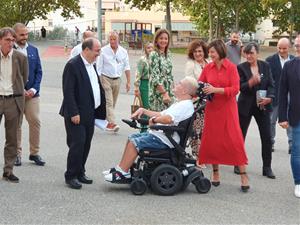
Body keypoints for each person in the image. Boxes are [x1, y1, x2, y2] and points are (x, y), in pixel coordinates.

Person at [103, 76, 198, 182]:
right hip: (163, 137)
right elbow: (161, 114)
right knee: (132, 138)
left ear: (184, 90)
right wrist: (143, 110)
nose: (176, 84)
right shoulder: (180, 104)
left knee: (135, 142)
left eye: (179, 83)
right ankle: (121, 169)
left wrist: (154, 121)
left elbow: (168, 119)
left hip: (166, 141)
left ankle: (123, 173)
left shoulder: (184, 105)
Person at [197, 39, 249, 193]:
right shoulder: (208, 67)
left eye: (212, 52)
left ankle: (243, 175)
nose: (210, 54)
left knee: (235, 141)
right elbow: (201, 84)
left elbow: (235, 89)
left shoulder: (232, 68)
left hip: (228, 109)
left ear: (220, 51)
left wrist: (216, 90)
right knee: (213, 141)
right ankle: (215, 173)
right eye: (210, 52)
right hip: (212, 109)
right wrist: (196, 90)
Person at [59, 38, 106, 189]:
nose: (99, 54)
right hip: (76, 113)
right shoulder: (73, 65)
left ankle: (80, 171)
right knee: (77, 144)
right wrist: (73, 112)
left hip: (89, 112)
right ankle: (71, 175)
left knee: (86, 144)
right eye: (97, 50)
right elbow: (68, 91)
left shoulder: (91, 65)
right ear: (86, 50)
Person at [237, 42, 276, 179]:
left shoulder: (265, 65)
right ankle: (238, 163)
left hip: (262, 105)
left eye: (251, 53)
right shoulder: (241, 67)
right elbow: (239, 87)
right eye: (246, 53)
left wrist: (270, 98)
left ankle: (267, 168)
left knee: (267, 137)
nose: (248, 56)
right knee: (240, 136)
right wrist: (251, 82)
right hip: (245, 106)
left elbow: (271, 84)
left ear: (257, 53)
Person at [13, 23, 45, 166]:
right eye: (22, 35)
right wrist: (20, 90)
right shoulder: (8, 50)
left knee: (35, 122)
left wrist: (34, 89)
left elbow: (39, 72)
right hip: (15, 95)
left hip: (32, 94)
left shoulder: (33, 50)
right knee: (16, 125)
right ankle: (16, 155)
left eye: (26, 34)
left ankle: (34, 153)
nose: (25, 37)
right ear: (14, 35)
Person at [0, 27, 28, 183]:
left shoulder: (20, 58)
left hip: (13, 100)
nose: (10, 43)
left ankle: (8, 170)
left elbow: (24, 78)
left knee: (12, 139)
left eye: (12, 40)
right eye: (7, 40)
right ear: (0, 41)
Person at [278, 35, 300, 198]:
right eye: (297, 45)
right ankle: (298, 182)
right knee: (297, 152)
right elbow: (282, 92)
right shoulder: (289, 66)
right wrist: (282, 117)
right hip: (296, 116)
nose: (298, 48)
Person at [97, 31, 131, 132]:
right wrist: (98, 82)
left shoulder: (123, 52)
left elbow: (127, 67)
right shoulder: (103, 51)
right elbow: (99, 67)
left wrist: (128, 82)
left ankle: (107, 119)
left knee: (113, 103)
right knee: (109, 102)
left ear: (118, 39)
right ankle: (112, 123)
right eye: (110, 39)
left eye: (114, 39)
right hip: (105, 78)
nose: (112, 41)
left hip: (117, 80)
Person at [266, 38, 294, 153]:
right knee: (271, 121)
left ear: (289, 48)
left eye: (284, 48)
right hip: (275, 96)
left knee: (291, 121)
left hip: (291, 96)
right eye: (279, 48)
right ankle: (270, 143)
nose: (281, 50)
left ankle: (292, 144)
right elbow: (267, 80)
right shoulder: (269, 60)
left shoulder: (295, 60)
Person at [184, 40, 209, 162]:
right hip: (197, 101)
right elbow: (189, 83)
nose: (198, 54)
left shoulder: (209, 62)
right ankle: (197, 156)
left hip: (210, 101)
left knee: (207, 130)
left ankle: (206, 154)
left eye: (200, 51)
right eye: (195, 51)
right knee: (196, 130)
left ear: (204, 52)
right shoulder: (191, 64)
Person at [149, 29, 174, 112]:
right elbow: (155, 77)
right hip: (158, 92)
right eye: (161, 38)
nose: (164, 40)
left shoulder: (168, 54)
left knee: (169, 118)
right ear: (156, 40)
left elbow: (170, 74)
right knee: (158, 119)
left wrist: (173, 89)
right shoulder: (154, 54)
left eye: (166, 38)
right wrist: (164, 93)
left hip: (169, 90)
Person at [134, 42, 154, 132]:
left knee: (152, 107)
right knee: (145, 106)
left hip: (154, 85)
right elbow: (138, 74)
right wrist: (136, 87)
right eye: (148, 47)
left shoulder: (156, 59)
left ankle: (152, 127)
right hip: (145, 84)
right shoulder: (142, 60)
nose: (150, 49)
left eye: (152, 47)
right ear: (145, 49)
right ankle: (143, 128)